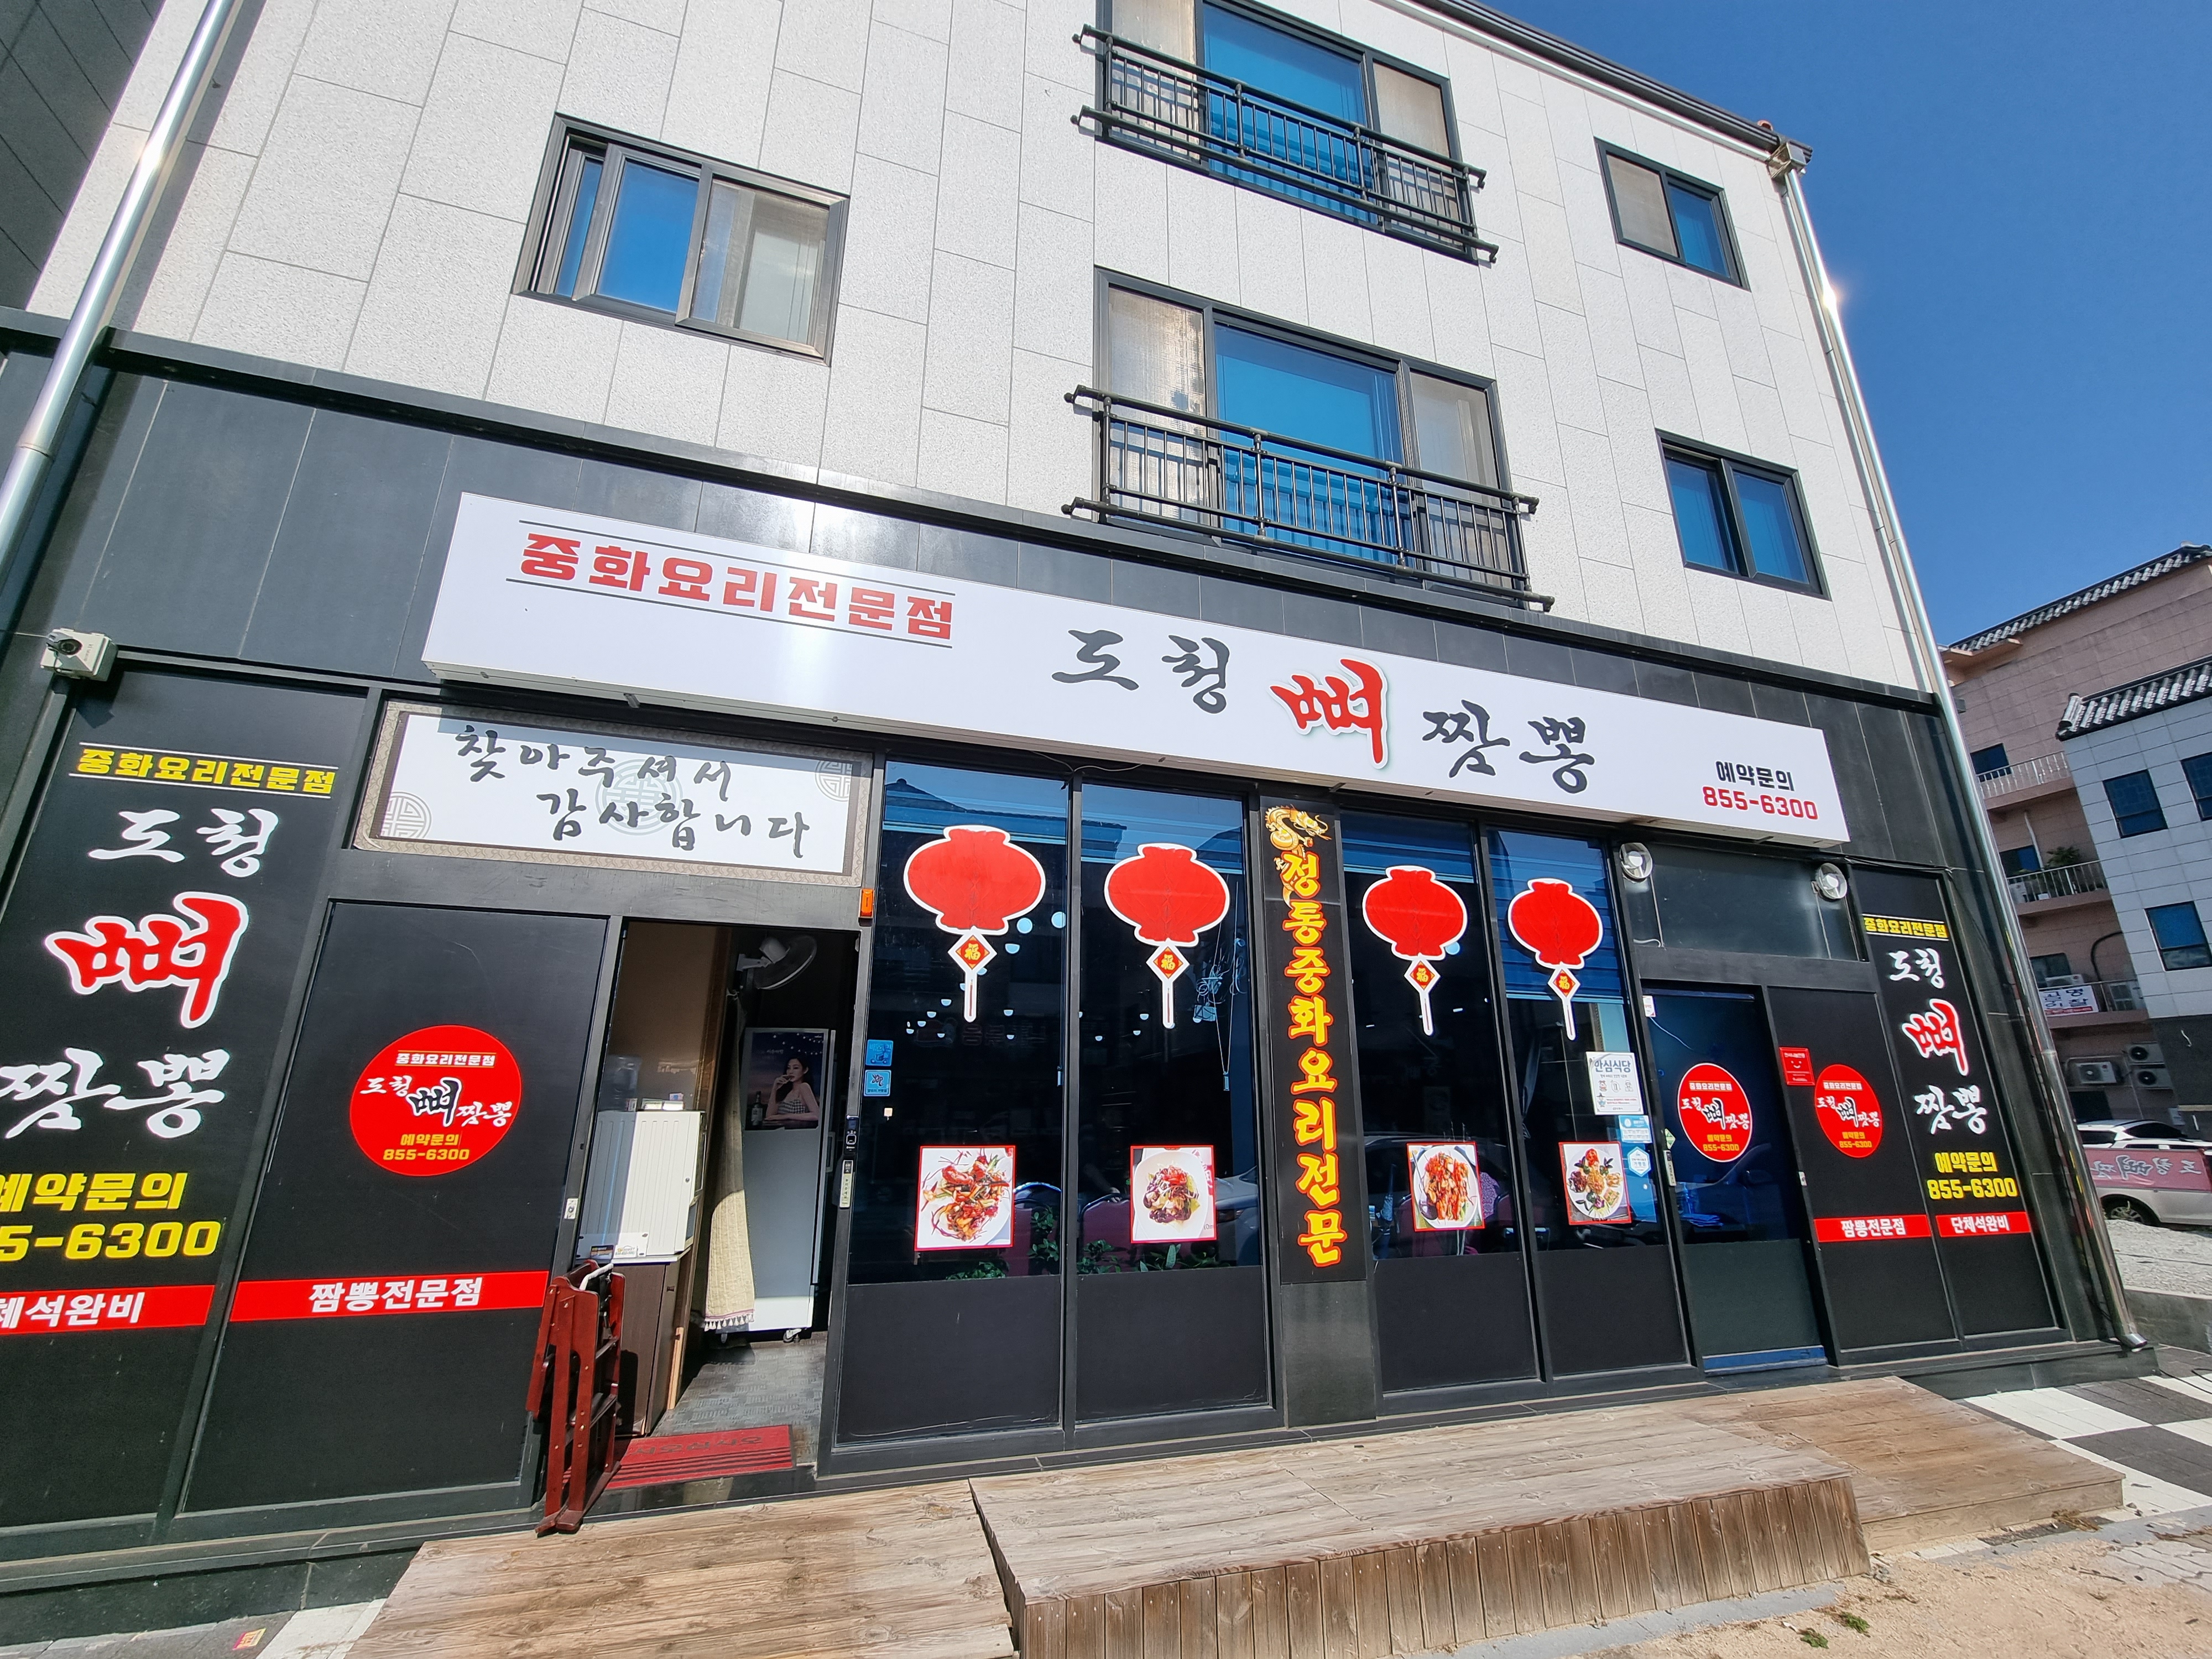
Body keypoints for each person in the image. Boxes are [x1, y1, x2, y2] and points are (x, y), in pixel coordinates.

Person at [765, 1053, 820, 1126]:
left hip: (798, 1130)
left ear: (805, 1070)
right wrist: (775, 1087)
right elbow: (769, 1116)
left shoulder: (804, 1087)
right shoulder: (786, 1090)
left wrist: (786, 1116)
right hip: (781, 1130)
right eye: (789, 1068)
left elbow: (816, 1115)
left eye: (796, 1068)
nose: (791, 1072)